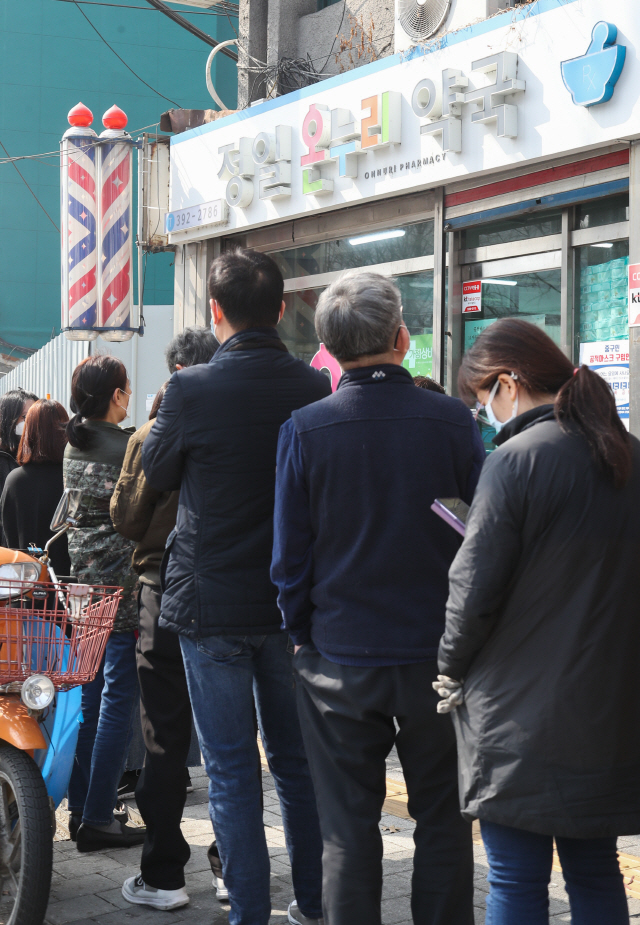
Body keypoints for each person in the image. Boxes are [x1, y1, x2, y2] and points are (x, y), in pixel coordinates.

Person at [271, 270, 485, 925]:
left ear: (330, 349)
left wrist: (302, 633)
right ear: (402, 337)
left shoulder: (305, 428)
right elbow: (480, 531)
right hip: (437, 655)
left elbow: (289, 557)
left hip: (338, 654)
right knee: (445, 823)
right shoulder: (452, 419)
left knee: (347, 830)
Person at [142, 248, 330, 925]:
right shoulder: (313, 388)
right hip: (289, 606)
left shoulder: (192, 390)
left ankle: (249, 911)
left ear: (214, 312)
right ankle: (311, 903)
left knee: (229, 770)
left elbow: (158, 473)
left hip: (211, 605)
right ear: (281, 309)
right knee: (296, 763)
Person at [436, 317, 640, 925]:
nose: (483, 411)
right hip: (608, 705)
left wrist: (449, 665)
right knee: (596, 868)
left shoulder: (515, 461)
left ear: (508, 382)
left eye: (481, 398)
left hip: (519, 712)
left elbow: (473, 587)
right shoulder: (625, 454)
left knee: (516, 879)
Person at [111, 328, 222, 913]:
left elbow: (126, 518)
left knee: (163, 738)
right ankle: (233, 865)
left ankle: (163, 874)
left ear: (177, 370)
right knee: (232, 741)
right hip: (233, 596)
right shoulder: (245, 429)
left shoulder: (153, 433)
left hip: (160, 590)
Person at [64, 355, 145, 852]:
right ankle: (97, 817)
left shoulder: (77, 443)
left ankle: (81, 809)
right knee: (119, 700)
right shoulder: (125, 447)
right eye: (127, 388)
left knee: (89, 701)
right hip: (124, 592)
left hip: (85, 591)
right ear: (116, 395)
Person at [1, 399, 71, 577]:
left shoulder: (14, 480)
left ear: (28, 432)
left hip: (25, 582)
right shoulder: (71, 478)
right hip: (68, 583)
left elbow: (9, 537)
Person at [0, 388, 38, 511]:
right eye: (25, 417)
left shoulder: (40, 454)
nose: (31, 422)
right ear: (8, 419)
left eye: (35, 416)